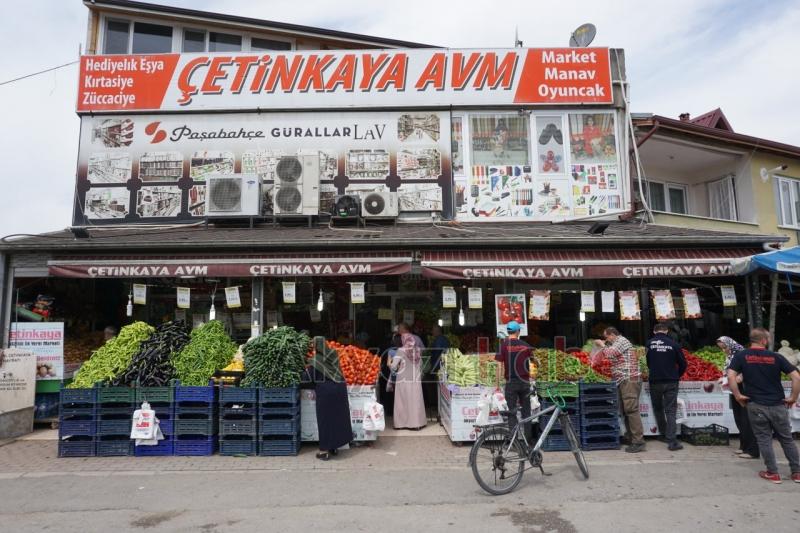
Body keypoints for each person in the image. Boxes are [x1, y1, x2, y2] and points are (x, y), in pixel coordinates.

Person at [727, 328, 800, 484]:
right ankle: (797, 473)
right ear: (764, 341)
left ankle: (773, 473)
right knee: (787, 439)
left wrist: (738, 395)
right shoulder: (776, 357)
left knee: (764, 439)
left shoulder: (742, 356)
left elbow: (731, 375)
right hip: (778, 404)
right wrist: (793, 398)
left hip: (756, 404)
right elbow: (796, 377)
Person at [595, 327, 645, 453]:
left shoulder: (621, 341)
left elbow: (610, 353)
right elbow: (608, 357)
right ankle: (631, 437)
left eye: (606, 337)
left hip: (629, 378)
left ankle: (638, 441)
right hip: (622, 379)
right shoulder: (616, 343)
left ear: (612, 335)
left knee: (631, 409)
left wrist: (601, 345)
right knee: (624, 409)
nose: (606, 340)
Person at [307, 336, 352, 461]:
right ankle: (335, 446)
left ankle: (324, 451)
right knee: (337, 419)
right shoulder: (334, 355)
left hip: (326, 393)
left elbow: (310, 378)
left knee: (325, 421)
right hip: (340, 389)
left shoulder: (316, 360)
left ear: (317, 346)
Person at [645, 323, 687, 451]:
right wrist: (676, 375)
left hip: (655, 381)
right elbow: (683, 364)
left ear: (654, 331)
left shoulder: (649, 343)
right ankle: (672, 440)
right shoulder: (674, 344)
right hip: (671, 381)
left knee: (658, 408)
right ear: (667, 331)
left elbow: (645, 362)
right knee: (670, 410)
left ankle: (663, 434)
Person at [495, 321, 538, 442]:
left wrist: (497, 384)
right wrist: (533, 376)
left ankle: (514, 442)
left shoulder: (503, 346)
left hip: (511, 383)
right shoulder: (525, 345)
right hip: (524, 382)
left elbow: (499, 366)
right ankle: (528, 441)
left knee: (512, 413)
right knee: (526, 412)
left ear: (508, 332)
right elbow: (534, 363)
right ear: (518, 332)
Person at [717, 336, 759, 459]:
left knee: (746, 419)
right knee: (739, 418)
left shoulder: (741, 354)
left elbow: (745, 373)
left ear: (730, 344)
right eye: (721, 348)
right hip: (733, 389)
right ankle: (743, 446)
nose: (723, 350)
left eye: (724, 347)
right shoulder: (730, 356)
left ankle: (752, 450)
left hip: (744, 389)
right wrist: (725, 378)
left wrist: (733, 378)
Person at [391, 323, 427, 430]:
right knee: (415, 400)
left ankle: (401, 424)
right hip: (415, 379)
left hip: (403, 380)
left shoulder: (401, 351)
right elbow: (421, 365)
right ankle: (417, 423)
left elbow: (393, 366)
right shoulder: (418, 351)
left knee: (402, 402)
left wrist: (392, 364)